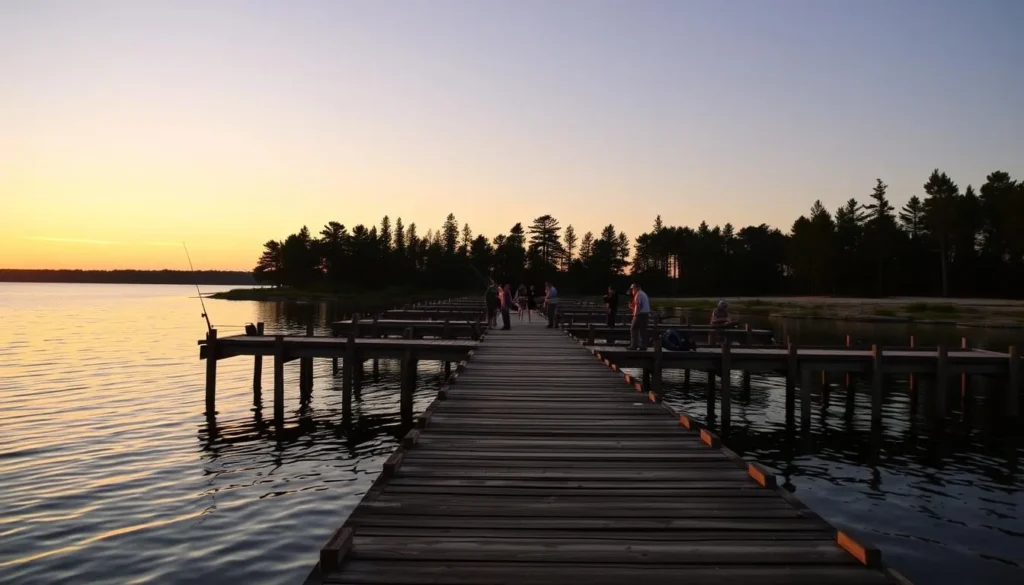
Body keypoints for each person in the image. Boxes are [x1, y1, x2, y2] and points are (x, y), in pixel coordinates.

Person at [627, 283, 650, 350]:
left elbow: (638, 306)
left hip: (640, 315)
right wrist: (632, 306)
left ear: (636, 288)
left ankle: (634, 345)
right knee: (642, 330)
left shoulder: (638, 294)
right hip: (645, 314)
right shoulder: (643, 294)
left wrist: (635, 315)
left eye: (632, 289)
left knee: (633, 328)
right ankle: (643, 345)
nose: (632, 291)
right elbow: (639, 305)